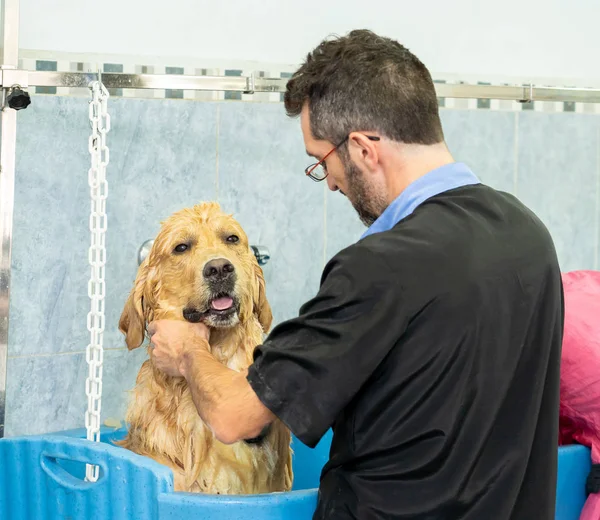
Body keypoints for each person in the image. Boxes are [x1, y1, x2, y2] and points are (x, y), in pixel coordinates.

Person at [147, 29, 564, 519]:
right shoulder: (528, 234)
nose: (330, 184)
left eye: (321, 162)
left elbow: (234, 415)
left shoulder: (380, 265)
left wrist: (190, 348)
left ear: (364, 148)